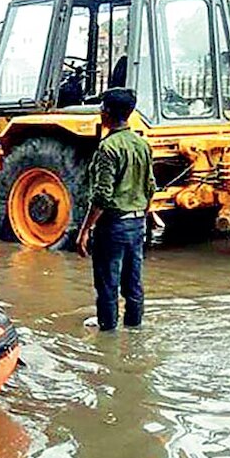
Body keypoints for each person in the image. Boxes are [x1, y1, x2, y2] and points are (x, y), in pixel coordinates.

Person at [76, 87, 156, 331]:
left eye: (102, 108)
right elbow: (151, 186)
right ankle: (134, 326)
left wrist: (85, 230)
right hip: (137, 223)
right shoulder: (142, 145)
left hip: (113, 225)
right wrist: (144, 213)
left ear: (107, 113)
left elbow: (102, 195)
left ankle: (107, 330)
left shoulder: (108, 149)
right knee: (133, 281)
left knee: (107, 282)